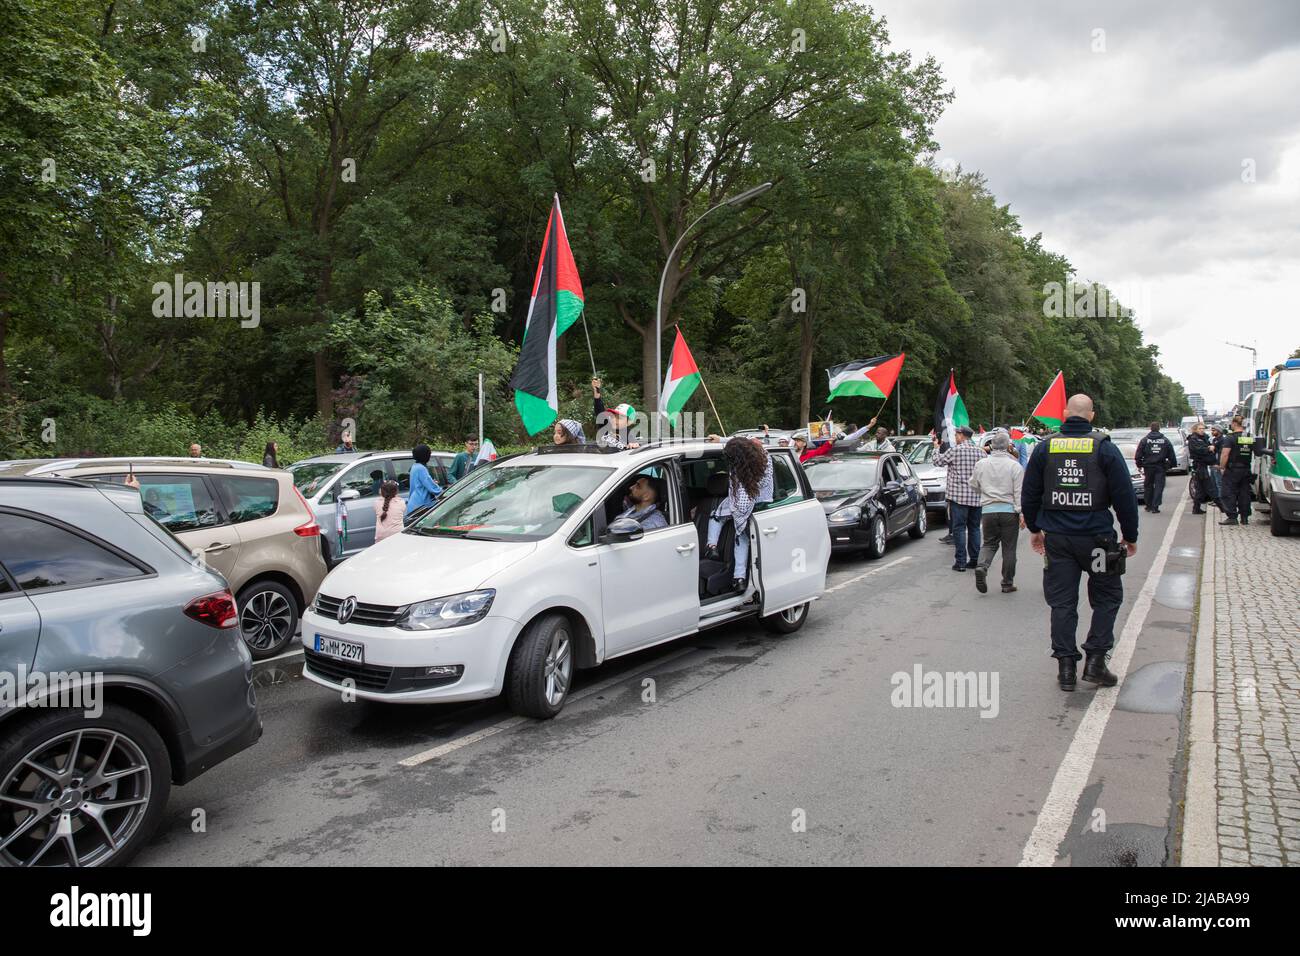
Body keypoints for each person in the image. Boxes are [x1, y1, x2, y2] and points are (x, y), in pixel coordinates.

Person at [1021, 393, 1140, 692]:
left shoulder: (1045, 447)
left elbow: (1030, 491)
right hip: (1098, 541)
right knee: (1107, 598)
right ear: (1091, 416)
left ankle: (1065, 668)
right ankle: (1096, 661)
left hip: (1059, 541)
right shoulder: (1105, 448)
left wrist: (1035, 528)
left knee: (1062, 602)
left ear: (1064, 414)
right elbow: (1125, 496)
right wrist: (1130, 535)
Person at [705, 436, 774, 591]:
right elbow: (747, 441)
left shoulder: (739, 474)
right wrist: (722, 439)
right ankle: (739, 579)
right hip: (763, 505)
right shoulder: (766, 458)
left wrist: (738, 522)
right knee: (742, 540)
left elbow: (741, 505)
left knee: (717, 517)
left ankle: (712, 546)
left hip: (747, 507)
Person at [968, 433, 1024, 594]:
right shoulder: (1015, 466)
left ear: (992, 445)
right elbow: (1019, 492)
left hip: (988, 510)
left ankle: (982, 566)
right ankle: (1007, 583)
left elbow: (973, 484)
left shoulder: (981, 464)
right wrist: (1021, 513)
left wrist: (984, 491)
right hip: (1009, 511)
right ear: (1008, 446)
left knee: (989, 543)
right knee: (1009, 548)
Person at [934, 425, 985, 571]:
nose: (955, 438)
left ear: (962, 435)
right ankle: (974, 560)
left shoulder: (955, 451)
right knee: (974, 528)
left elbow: (938, 462)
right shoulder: (981, 453)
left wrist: (936, 448)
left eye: (956, 435)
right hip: (976, 496)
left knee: (959, 529)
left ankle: (961, 562)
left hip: (958, 497)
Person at [1217, 415, 1255, 526]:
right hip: (1246, 469)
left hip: (1232, 469)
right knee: (1244, 493)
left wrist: (1222, 467)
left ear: (1234, 424)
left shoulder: (1230, 437)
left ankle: (1232, 517)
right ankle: (1244, 517)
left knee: (1228, 493)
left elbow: (1225, 454)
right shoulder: (1249, 436)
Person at [1134, 421, 1176, 513]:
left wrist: (1139, 464)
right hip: (1160, 466)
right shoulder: (1165, 440)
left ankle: (1148, 505)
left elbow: (1138, 454)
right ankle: (1155, 506)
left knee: (1148, 486)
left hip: (1148, 466)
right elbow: (1171, 454)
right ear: (1159, 428)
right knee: (1159, 486)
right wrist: (1171, 464)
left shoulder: (1145, 440)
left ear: (1150, 428)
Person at [592, 377, 639, 449]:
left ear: (628, 422)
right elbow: (599, 410)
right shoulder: (605, 425)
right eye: (614, 416)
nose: (615, 419)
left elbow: (634, 443)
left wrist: (634, 445)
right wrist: (596, 391)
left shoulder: (628, 435)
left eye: (620, 418)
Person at [1186, 422, 1216, 515]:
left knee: (1200, 488)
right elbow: (1199, 450)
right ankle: (1224, 508)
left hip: (1204, 464)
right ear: (1195, 429)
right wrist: (1208, 449)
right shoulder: (1193, 439)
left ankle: (1196, 508)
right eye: (1200, 428)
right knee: (1209, 487)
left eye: (1203, 428)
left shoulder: (1205, 438)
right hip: (1199, 465)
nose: (1202, 430)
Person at [407, 444, 443, 514]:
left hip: (414, 504)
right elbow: (432, 487)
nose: (430, 456)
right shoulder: (421, 468)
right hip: (421, 505)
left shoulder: (415, 466)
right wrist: (444, 493)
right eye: (429, 454)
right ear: (424, 455)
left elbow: (421, 484)